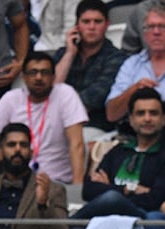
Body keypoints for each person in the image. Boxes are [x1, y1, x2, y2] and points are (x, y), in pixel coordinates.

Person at [69, 88, 165, 229]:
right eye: (141, 113)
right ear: (131, 120)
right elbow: (89, 189)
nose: (147, 118)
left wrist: (112, 189)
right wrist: (130, 189)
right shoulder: (118, 151)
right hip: (107, 215)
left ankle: (65, 223)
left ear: (163, 119)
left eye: (153, 113)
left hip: (140, 216)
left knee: (112, 198)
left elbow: (156, 198)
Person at [0, 52, 88, 185]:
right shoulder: (11, 99)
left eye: (44, 72)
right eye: (33, 72)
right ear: (23, 77)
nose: (38, 77)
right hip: (17, 184)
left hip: (57, 183)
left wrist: (77, 190)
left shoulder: (66, 95)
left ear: (53, 77)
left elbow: (76, 144)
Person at [53, 0, 128, 137]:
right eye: (86, 22)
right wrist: (70, 54)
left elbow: (93, 99)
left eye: (97, 21)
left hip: (95, 126)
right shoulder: (63, 54)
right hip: (55, 122)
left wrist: (58, 103)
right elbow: (49, 88)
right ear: (77, 26)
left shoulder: (117, 58)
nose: (92, 27)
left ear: (107, 25)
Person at [105, 4, 165, 124]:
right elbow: (111, 114)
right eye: (150, 27)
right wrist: (134, 90)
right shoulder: (131, 64)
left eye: (162, 26)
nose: (156, 32)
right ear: (144, 33)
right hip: (135, 135)